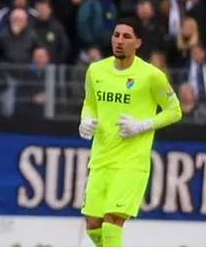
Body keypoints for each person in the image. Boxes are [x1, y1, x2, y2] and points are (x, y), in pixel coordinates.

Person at [78, 18, 182, 247]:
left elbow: (175, 111)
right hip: (101, 159)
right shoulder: (96, 70)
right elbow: (90, 103)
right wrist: (85, 120)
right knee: (93, 226)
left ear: (138, 42)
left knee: (112, 221)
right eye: (116, 35)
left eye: (126, 37)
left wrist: (142, 125)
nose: (119, 41)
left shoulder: (151, 75)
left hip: (131, 162)